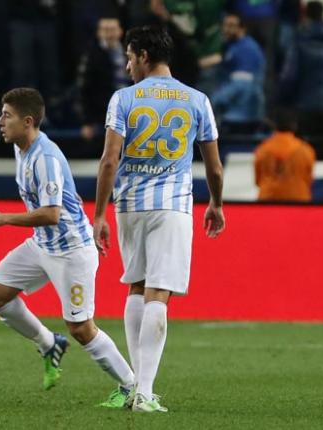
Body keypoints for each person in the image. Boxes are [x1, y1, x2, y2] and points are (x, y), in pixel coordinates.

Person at [0, 88, 136, 408]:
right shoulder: (21, 149)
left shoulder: (45, 158)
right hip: (43, 245)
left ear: (27, 121)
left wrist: (3, 219)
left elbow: (52, 213)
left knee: (81, 328)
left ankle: (131, 386)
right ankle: (48, 343)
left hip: (71, 250)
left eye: (7, 115)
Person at [93, 26, 225, 413]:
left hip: (130, 205)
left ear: (144, 56)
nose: (128, 64)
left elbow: (109, 161)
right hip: (171, 206)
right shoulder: (197, 99)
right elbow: (214, 166)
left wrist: (99, 213)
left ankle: (136, 385)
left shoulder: (123, 99)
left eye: (130, 57)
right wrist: (216, 203)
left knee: (136, 287)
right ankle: (145, 393)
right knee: (159, 293)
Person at [278, 0, 323, 136]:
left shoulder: (298, 45)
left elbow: (288, 78)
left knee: (305, 154)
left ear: (305, 17)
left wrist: (285, 105)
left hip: (305, 111)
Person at [76, 16, 129, 141]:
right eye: (105, 30)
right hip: (103, 113)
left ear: (120, 31)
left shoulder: (129, 52)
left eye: (112, 29)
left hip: (130, 108)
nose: (110, 34)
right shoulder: (91, 55)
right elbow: (84, 89)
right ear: (99, 33)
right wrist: (87, 122)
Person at [212, 13, 265, 134]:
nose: (226, 29)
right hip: (236, 112)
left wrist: (214, 100)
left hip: (242, 116)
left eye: (231, 26)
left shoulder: (247, 49)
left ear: (242, 28)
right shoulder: (233, 46)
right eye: (224, 25)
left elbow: (242, 84)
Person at [254, 109, 315, 202]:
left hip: (267, 200)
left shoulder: (262, 150)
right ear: (294, 126)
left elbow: (258, 181)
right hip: (299, 200)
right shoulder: (306, 150)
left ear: (273, 125)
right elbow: (309, 180)